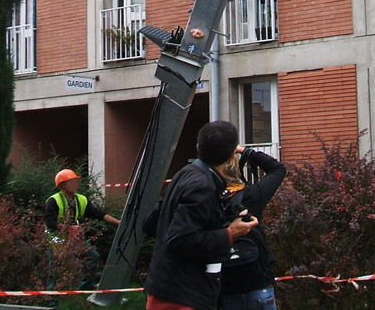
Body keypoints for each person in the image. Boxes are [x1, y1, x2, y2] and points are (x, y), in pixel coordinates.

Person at [143, 121, 259, 310]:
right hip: (184, 296)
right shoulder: (202, 185)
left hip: (166, 289)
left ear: (198, 147)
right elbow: (179, 239)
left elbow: (151, 223)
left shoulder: (185, 174)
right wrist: (230, 233)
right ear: (232, 154)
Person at [220, 146, 286, 310]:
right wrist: (245, 151)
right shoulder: (251, 196)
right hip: (258, 284)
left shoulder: (206, 198)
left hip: (224, 288)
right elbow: (277, 169)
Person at [44, 168, 120, 289]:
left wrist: (118, 223)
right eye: (72, 181)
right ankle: (51, 300)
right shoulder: (54, 201)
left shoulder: (81, 199)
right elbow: (49, 222)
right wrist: (68, 228)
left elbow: (99, 214)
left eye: (76, 181)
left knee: (92, 256)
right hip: (56, 239)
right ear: (63, 185)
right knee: (55, 266)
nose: (76, 184)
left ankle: (86, 287)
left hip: (73, 238)